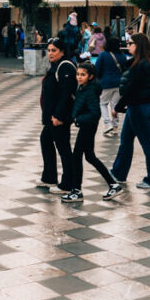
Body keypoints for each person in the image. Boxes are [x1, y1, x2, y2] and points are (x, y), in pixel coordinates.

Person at [109, 33, 150, 191]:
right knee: (125, 139)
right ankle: (118, 172)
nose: (128, 45)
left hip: (139, 107)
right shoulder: (144, 62)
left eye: (131, 43)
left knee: (147, 143)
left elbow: (131, 89)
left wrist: (118, 107)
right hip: (140, 106)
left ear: (138, 45)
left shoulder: (141, 65)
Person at [61, 61, 118, 203]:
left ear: (91, 76)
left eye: (83, 75)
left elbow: (95, 113)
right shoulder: (84, 88)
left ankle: (77, 191)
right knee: (90, 157)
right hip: (87, 126)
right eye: (78, 74)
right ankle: (113, 184)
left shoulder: (90, 91)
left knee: (77, 157)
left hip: (88, 127)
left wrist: (78, 119)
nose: (79, 77)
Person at [36, 40, 76, 194]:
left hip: (59, 117)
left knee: (64, 148)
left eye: (54, 50)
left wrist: (58, 115)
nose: (50, 53)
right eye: (49, 50)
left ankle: (68, 184)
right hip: (51, 116)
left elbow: (66, 93)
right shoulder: (56, 66)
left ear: (62, 51)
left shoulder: (65, 66)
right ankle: (49, 177)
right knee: (45, 140)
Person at [94, 37, 127, 135]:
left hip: (105, 84)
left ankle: (107, 124)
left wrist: (98, 80)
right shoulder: (122, 56)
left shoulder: (103, 55)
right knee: (115, 105)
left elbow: (97, 69)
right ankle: (115, 126)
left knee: (102, 103)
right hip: (119, 84)